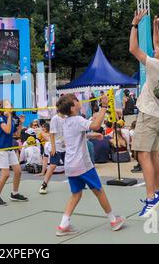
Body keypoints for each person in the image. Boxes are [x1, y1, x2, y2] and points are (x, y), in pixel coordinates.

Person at [129, 9, 159, 217]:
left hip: (148, 113)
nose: (155, 49)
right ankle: (157, 190)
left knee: (143, 155)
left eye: (158, 49)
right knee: (152, 154)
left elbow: (133, 48)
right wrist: (156, 26)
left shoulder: (154, 65)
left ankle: (151, 197)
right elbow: (158, 44)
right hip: (157, 115)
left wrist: (134, 24)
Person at [55, 94, 125, 236]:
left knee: (76, 194)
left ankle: (63, 225)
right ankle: (113, 220)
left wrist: (92, 135)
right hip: (82, 164)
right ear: (73, 107)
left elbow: (75, 137)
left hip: (70, 165)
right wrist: (104, 107)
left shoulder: (66, 121)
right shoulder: (78, 119)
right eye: (76, 100)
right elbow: (96, 125)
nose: (79, 101)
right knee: (99, 191)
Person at [0, 100, 27, 206]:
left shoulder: (12, 119)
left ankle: (14, 194)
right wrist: (10, 117)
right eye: (6, 104)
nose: (9, 105)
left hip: (9, 148)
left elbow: (16, 134)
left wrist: (20, 123)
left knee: (18, 171)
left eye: (10, 104)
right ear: (2, 108)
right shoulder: (0, 118)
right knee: (5, 174)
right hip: (1, 149)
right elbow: (6, 130)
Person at [39, 101, 66, 194]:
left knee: (72, 165)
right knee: (52, 166)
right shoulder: (55, 118)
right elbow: (52, 134)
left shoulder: (67, 118)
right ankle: (44, 185)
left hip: (66, 147)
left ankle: (79, 184)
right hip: (56, 147)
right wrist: (53, 148)